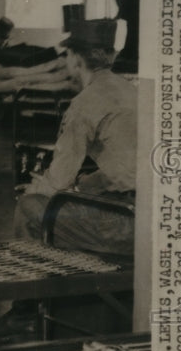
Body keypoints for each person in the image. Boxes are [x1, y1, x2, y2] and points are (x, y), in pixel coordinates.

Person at [14, 19, 137, 256]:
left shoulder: (84, 104)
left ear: (75, 58)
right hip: (155, 215)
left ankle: (34, 290)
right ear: (110, 57)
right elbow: (128, 165)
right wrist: (84, 184)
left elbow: (57, 182)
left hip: (126, 225)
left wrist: (35, 188)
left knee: (28, 207)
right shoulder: (130, 90)